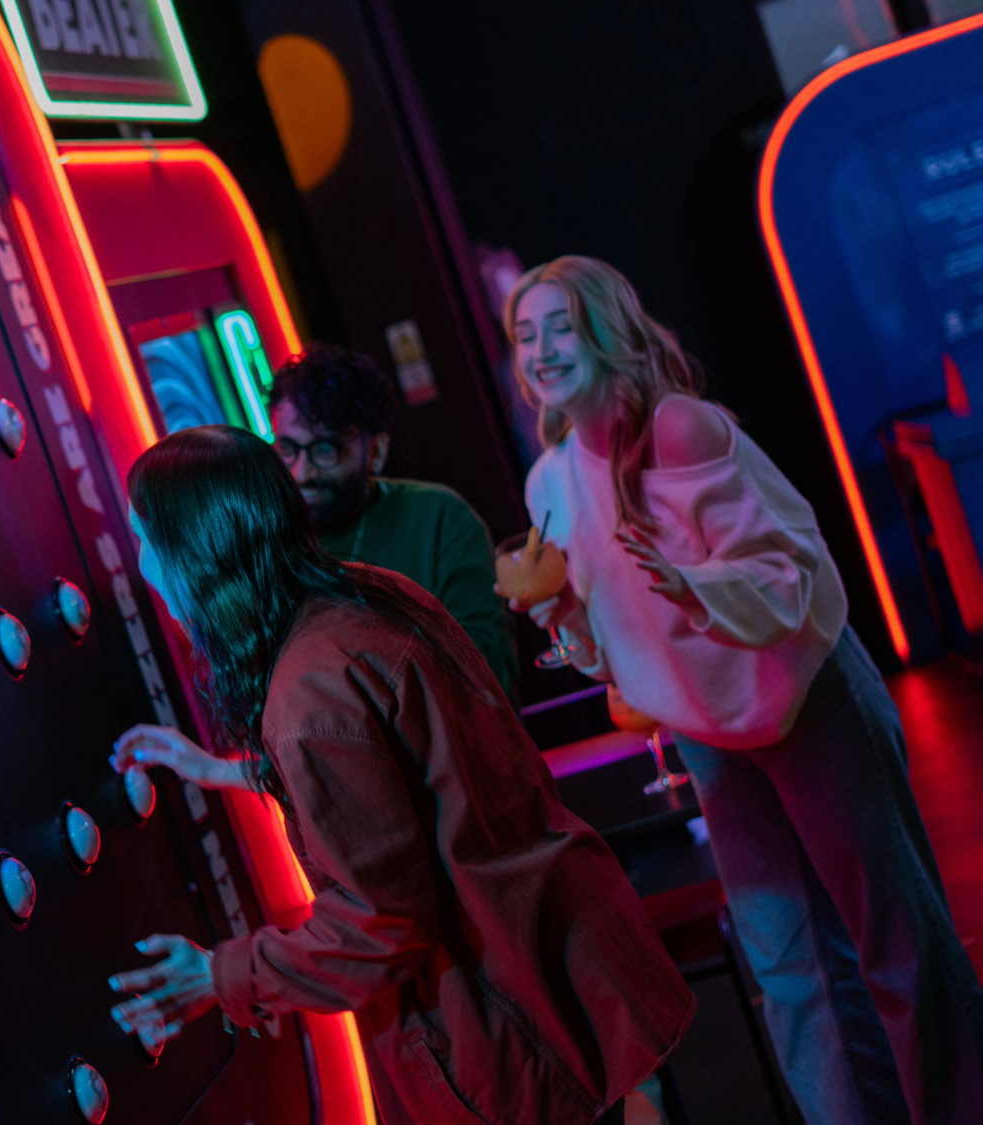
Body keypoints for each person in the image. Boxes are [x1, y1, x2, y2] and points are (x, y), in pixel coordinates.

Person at [506, 255, 983, 1124]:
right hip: (708, 728)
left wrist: (700, 589)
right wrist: (569, 620)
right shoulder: (551, 483)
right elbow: (616, 648)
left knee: (897, 938)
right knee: (788, 962)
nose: (541, 349)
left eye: (560, 325)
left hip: (804, 695)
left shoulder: (680, 428)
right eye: (525, 333)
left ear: (607, 329)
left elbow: (788, 565)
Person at [103, 424, 694, 1125]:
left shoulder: (307, 696)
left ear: (196, 549)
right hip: (558, 963)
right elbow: (409, 771)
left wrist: (218, 974)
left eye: (145, 540)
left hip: (502, 1030)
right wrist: (233, 769)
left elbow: (380, 926)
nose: (142, 567)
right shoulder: (365, 592)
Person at [269, 344, 518, 698]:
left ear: (376, 451)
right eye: (288, 449)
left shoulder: (437, 518)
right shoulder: (269, 539)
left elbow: (490, 672)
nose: (301, 472)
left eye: (325, 451)